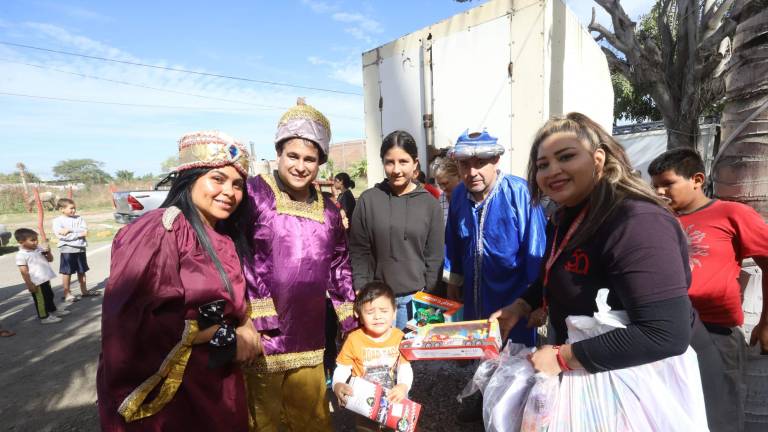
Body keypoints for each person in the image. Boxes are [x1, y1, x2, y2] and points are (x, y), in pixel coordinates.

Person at [491, 112, 699, 421]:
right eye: (543, 164)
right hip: (585, 377)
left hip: (634, 386)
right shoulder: (567, 215)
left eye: (566, 156)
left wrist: (563, 358)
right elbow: (558, 271)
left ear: (598, 158)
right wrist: (522, 305)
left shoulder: (636, 220)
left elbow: (665, 333)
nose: (553, 171)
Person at [97, 130, 262, 431]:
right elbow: (133, 321)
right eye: (218, 179)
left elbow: (231, 302)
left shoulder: (224, 235)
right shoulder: (160, 229)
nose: (230, 192)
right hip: (177, 395)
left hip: (217, 380)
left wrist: (246, 323)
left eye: (237, 185)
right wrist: (225, 338)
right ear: (191, 179)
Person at [242, 100, 356, 432]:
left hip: (309, 333)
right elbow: (240, 253)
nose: (300, 166)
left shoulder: (330, 212)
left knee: (311, 417)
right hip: (264, 335)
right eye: (293, 156)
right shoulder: (254, 195)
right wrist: (257, 314)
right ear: (278, 153)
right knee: (264, 419)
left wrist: (348, 318)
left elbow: (339, 265)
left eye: (310, 159)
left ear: (320, 162)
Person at [649, 148, 768, 432]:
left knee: (719, 415)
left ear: (697, 179)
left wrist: (766, 322)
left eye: (668, 184)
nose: (660, 192)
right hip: (662, 333)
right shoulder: (656, 220)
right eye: (655, 186)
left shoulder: (731, 213)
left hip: (716, 333)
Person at [443, 129, 546, 342]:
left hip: (513, 299)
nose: (471, 172)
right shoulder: (459, 195)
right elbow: (453, 242)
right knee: (478, 354)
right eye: (464, 164)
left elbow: (536, 250)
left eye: (480, 163)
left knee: (514, 361)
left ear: (495, 160)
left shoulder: (520, 193)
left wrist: (538, 302)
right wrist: (453, 281)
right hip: (473, 298)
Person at [349, 130, 444, 330]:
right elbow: (359, 250)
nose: (396, 169)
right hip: (378, 301)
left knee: (411, 360)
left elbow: (434, 257)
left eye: (403, 161)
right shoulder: (368, 200)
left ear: (415, 163)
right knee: (380, 359)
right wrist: (361, 288)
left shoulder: (430, 204)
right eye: (389, 162)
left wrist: (429, 299)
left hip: (416, 301)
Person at [332, 281, 413, 432]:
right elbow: (342, 368)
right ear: (359, 315)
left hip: (395, 398)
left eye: (384, 310)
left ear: (394, 312)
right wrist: (337, 384)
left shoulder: (399, 337)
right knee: (366, 429)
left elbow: (405, 367)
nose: (377, 317)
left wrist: (403, 386)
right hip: (365, 403)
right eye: (370, 312)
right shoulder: (354, 339)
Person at [14, 228, 70, 324]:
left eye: (36, 239)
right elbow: (24, 271)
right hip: (36, 282)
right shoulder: (21, 255)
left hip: (45, 278)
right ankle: (44, 317)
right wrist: (29, 284)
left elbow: (50, 259)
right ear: (21, 242)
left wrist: (48, 252)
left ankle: (53, 310)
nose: (36, 242)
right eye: (32, 240)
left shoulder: (38, 248)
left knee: (49, 296)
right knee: (41, 300)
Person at [52, 198, 97, 302]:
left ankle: (84, 291)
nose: (74, 210)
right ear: (62, 209)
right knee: (67, 272)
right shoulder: (57, 221)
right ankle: (67, 293)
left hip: (80, 249)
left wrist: (70, 230)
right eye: (71, 208)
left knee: (82, 270)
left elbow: (85, 231)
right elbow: (62, 236)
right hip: (67, 250)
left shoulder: (79, 218)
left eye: (74, 208)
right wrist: (79, 234)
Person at [431, 155, 461, 223]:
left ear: (458, 177)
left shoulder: (468, 197)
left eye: (445, 183)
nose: (442, 188)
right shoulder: (441, 198)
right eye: (439, 184)